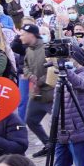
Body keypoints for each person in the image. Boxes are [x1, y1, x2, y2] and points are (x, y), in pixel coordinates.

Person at [19, 24, 53, 158]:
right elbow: (25, 66)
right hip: (36, 94)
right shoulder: (28, 50)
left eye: (22, 34)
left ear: (31, 34)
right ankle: (48, 145)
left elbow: (53, 68)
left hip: (50, 93)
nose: (20, 36)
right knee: (31, 120)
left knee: (62, 122)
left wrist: (39, 81)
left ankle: (64, 148)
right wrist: (29, 76)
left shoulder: (46, 48)